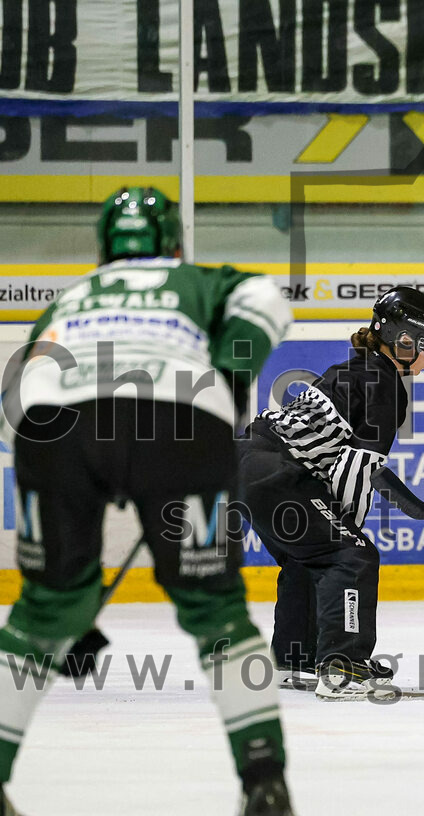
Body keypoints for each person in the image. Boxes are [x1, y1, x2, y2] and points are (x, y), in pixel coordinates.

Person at [0, 187, 296, 814]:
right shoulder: (197, 279)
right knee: (215, 610)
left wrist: (72, 613)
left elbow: (23, 380)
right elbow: (266, 297)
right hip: (180, 422)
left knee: (43, 611)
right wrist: (230, 375)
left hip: (53, 427)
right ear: (173, 244)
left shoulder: (71, 295)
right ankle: (264, 779)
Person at [237, 286, 424, 701]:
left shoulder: (358, 368)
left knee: (309, 557)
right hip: (277, 473)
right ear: (403, 340)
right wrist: (349, 535)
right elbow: (355, 468)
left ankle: (296, 658)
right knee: (351, 556)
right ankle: (342, 665)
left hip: (247, 465)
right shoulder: (385, 385)